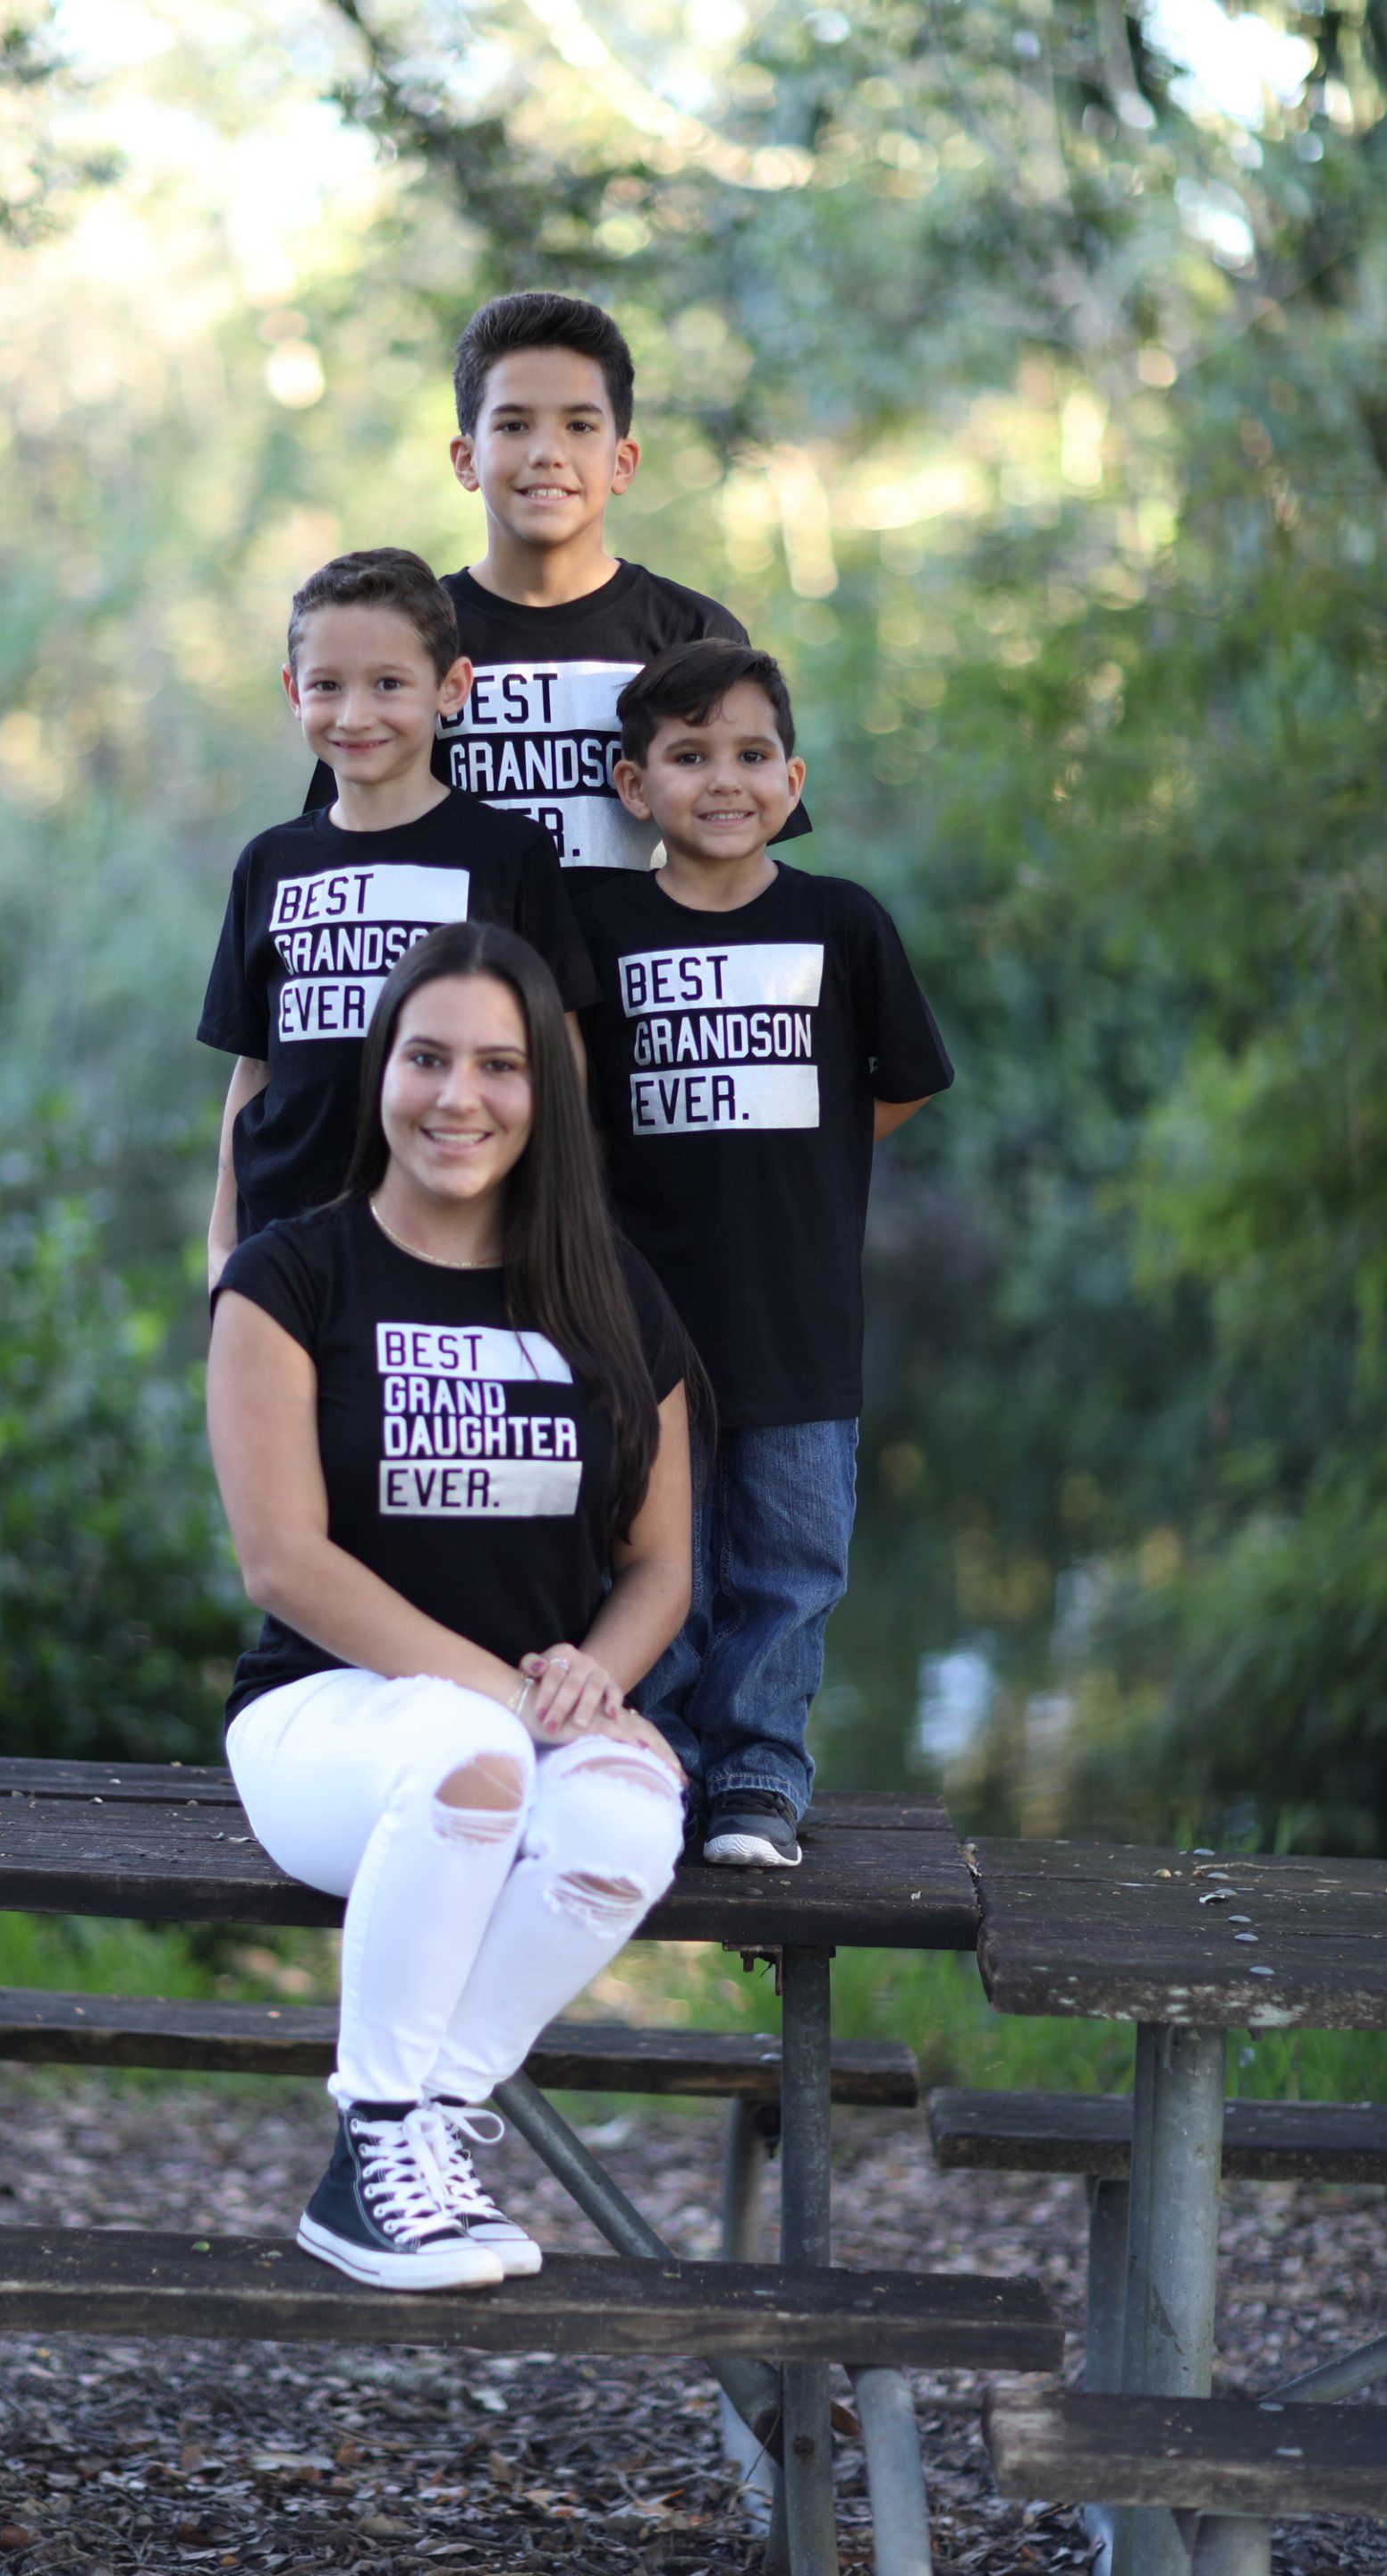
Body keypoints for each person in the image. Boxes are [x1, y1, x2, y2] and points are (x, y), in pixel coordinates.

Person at [207, 919, 690, 2293]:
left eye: (499, 1064)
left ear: (547, 1093)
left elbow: (662, 1565)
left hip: (524, 1714)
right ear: (381, 1075)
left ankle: (399, 2135)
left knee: (624, 1819)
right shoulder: (290, 1279)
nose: (457, 1097)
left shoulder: (608, 1293)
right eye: (426, 1058)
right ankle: (378, 2145)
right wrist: (526, 1702)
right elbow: (285, 1563)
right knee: (473, 1763)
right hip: (327, 1722)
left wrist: (599, 1682)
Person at [571, 640, 953, 1868]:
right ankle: (660, 1763)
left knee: (789, 1563)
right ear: (637, 790)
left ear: (792, 780)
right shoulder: (603, 925)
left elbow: (896, 1089)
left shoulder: (841, 920)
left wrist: (798, 1155)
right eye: (688, 757)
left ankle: (757, 1781)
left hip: (795, 1317)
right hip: (644, 1324)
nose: (721, 781)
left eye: (747, 755)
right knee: (656, 1559)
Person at [306, 291, 808, 875]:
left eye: (579, 424)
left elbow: (740, 857)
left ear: (622, 461)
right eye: (515, 424)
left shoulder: (694, 632)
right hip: (457, 963)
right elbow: (349, 844)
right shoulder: (407, 633)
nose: (547, 452)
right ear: (466, 459)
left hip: (631, 965)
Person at [199, 548, 596, 1287]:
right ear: (293, 690)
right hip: (285, 1244)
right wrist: (223, 1249)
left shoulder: (506, 852)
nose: (355, 715)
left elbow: (559, 1052)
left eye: (388, 684)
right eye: (327, 686)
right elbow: (254, 1064)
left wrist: (546, 1226)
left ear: (450, 687)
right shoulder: (270, 862)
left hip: (457, 1240)